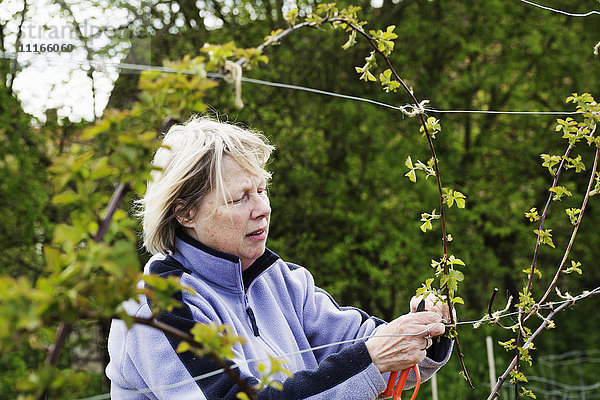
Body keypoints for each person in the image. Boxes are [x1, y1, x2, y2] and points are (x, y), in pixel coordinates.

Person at [106, 116, 453, 399]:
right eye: (240, 197)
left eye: (261, 189)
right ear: (185, 213)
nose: (263, 208)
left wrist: (426, 332)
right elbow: (234, 397)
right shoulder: (160, 304)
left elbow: (368, 345)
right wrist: (372, 359)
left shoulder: (283, 281)